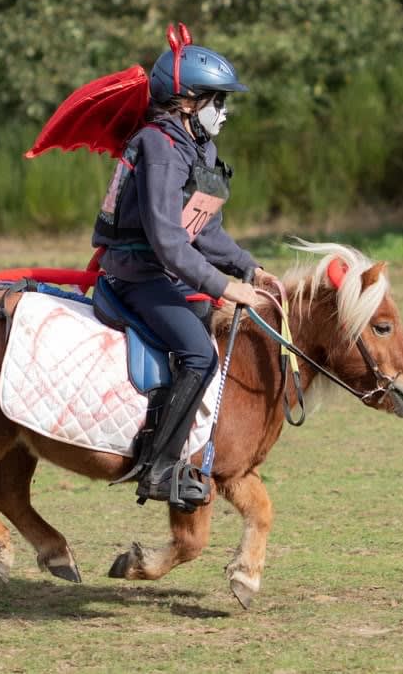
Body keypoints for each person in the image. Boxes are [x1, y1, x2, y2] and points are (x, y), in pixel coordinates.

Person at [92, 34, 279, 512]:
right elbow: (168, 241)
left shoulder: (200, 150)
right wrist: (224, 286)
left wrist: (249, 268)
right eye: (220, 101)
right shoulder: (156, 146)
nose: (225, 111)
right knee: (199, 355)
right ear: (189, 102)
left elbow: (205, 231)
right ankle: (158, 469)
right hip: (136, 276)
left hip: (166, 274)